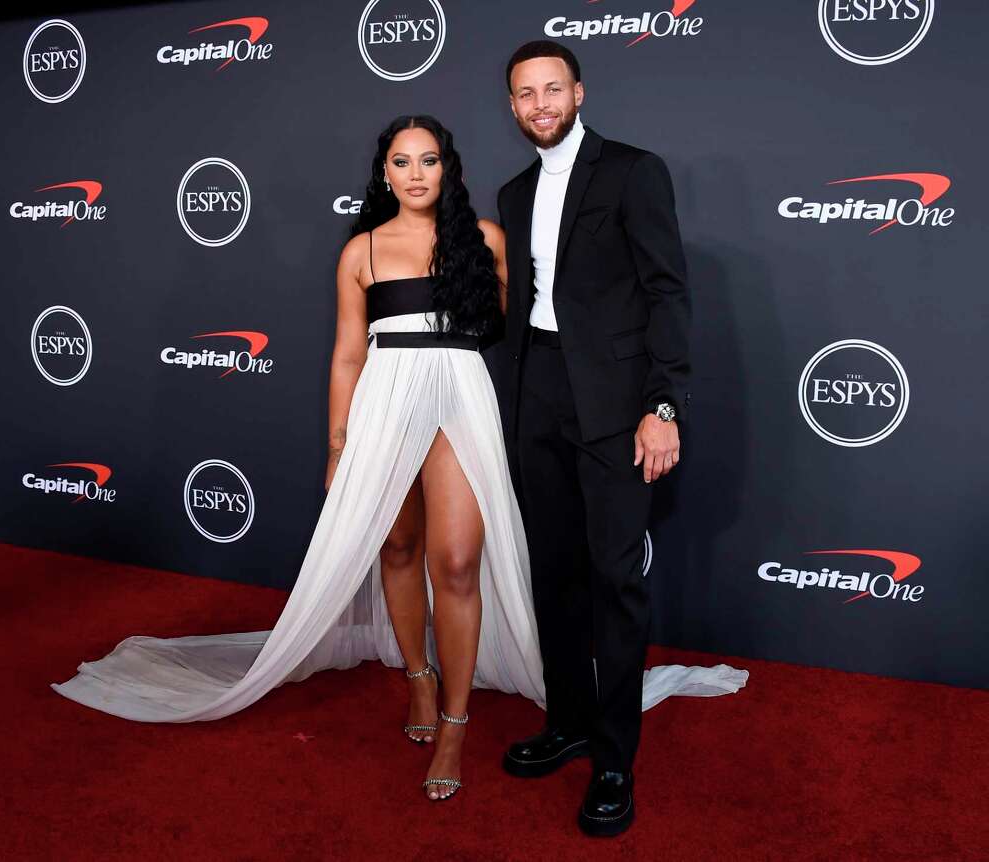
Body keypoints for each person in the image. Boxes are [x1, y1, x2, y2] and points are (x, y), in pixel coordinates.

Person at [52, 115, 745, 805]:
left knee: (456, 562)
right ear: (383, 172)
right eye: (402, 162)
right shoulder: (362, 252)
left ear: (451, 169)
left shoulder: (489, 241)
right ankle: (418, 675)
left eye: (430, 160)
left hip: (461, 402)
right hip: (384, 403)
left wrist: (638, 398)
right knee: (399, 547)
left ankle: (454, 721)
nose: (416, 174)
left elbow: (539, 335)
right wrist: (337, 446)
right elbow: (347, 356)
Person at [496, 40, 697, 836]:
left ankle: (615, 755)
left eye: (552, 88)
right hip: (536, 393)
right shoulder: (512, 194)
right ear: (512, 106)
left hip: (618, 406)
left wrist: (665, 404)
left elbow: (668, 292)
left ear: (579, 92)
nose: (540, 103)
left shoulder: (631, 171)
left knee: (616, 582)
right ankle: (570, 720)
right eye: (524, 93)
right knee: (555, 575)